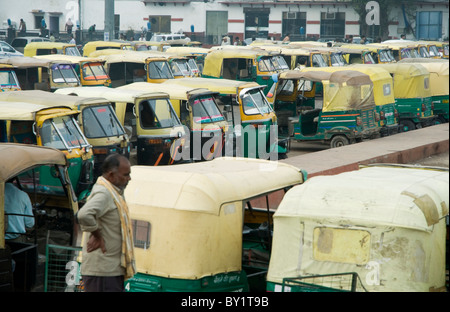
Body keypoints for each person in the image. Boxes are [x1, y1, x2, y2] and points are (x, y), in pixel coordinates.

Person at [77, 153, 135, 292]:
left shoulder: (114, 192)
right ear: (111, 175)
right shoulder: (105, 193)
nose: (129, 179)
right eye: (126, 175)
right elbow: (84, 214)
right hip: (102, 273)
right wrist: (97, 235)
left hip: (111, 271)